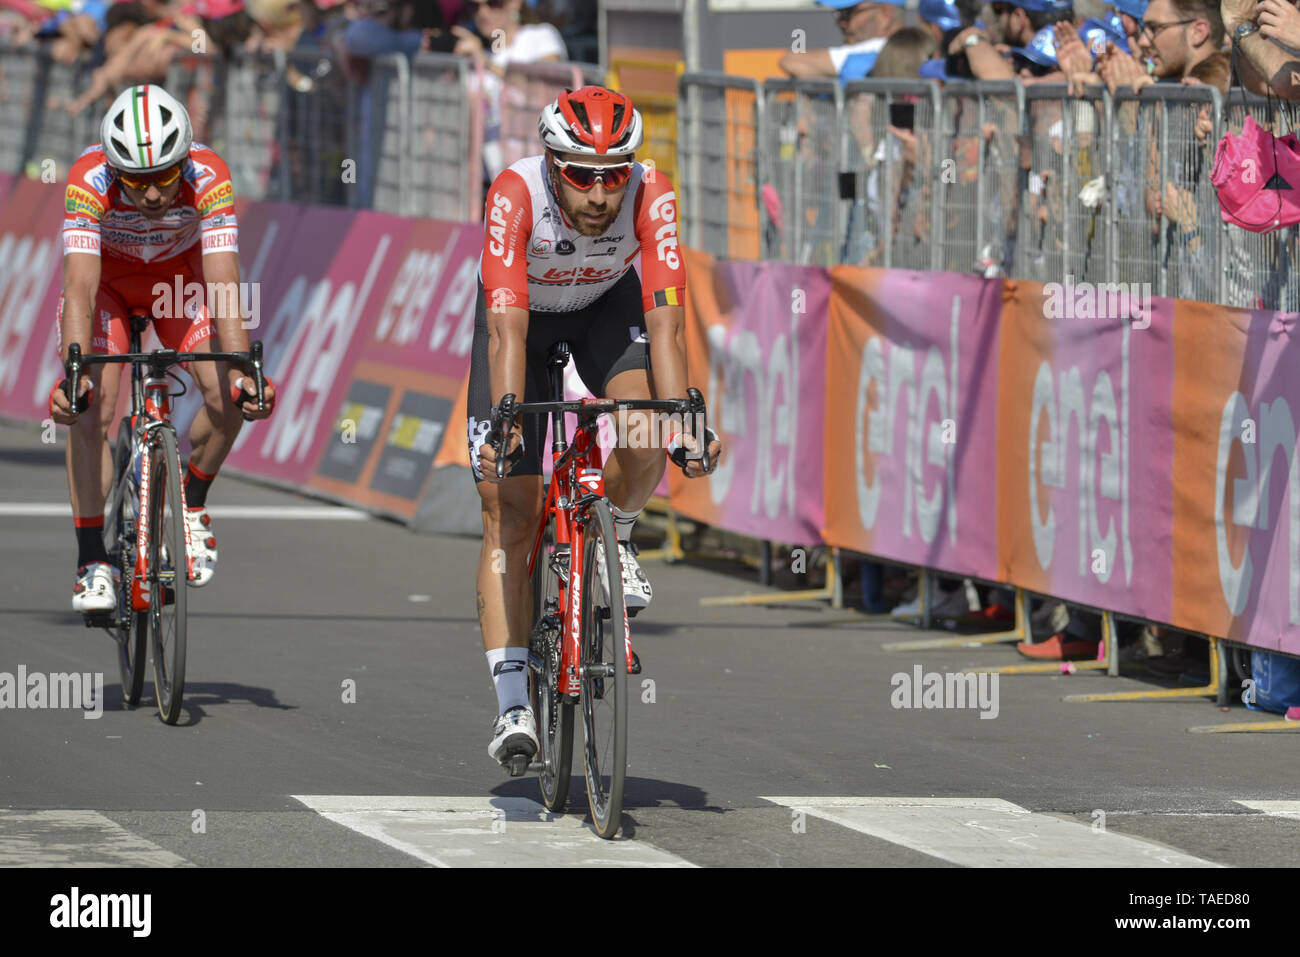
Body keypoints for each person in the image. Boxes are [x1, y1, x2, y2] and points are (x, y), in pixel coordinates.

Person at [468, 87, 722, 766]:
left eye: (614, 174)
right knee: (511, 513)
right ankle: (514, 701)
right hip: (521, 319)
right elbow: (505, 324)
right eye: (582, 174)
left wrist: (685, 420)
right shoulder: (515, 192)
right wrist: (509, 413)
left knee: (647, 431)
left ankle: (620, 532)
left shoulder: (653, 191)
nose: (602, 194)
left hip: (605, 308)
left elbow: (666, 316)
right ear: (552, 164)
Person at [49, 84, 277, 613]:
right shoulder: (88, 179)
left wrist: (244, 369)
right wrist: (75, 371)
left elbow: (223, 283)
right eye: (137, 181)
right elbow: (80, 286)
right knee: (91, 409)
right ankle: (92, 562)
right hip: (109, 284)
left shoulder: (209, 173)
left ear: (184, 160)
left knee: (227, 398)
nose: (152, 195)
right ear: (114, 169)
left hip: (179, 281)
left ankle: (191, 506)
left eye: (165, 178)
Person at [778, 0, 903, 82]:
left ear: (886, 15)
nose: (840, 22)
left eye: (848, 12)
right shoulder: (915, 47)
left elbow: (790, 61)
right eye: (839, 13)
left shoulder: (882, 48)